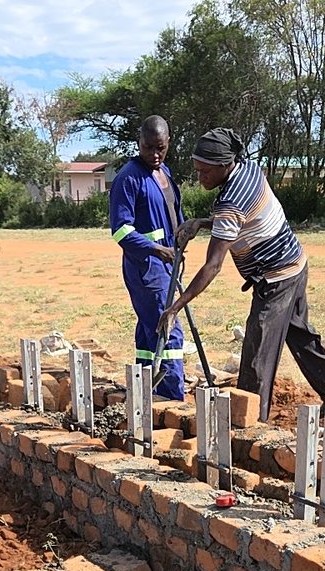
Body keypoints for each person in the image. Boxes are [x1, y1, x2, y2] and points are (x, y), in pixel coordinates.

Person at [160, 127, 325, 422]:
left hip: (276, 277)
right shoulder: (248, 169)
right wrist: (201, 222)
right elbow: (242, 218)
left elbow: (213, 265)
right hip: (295, 261)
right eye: (197, 170)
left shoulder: (230, 204)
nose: (200, 178)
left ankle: (249, 427)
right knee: (299, 334)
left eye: (205, 171)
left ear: (225, 164)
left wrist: (176, 306)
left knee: (256, 357)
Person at [109, 115, 185, 400]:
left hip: (169, 263)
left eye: (160, 148)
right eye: (148, 147)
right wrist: (157, 250)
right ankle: (173, 398)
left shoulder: (164, 173)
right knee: (168, 327)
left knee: (149, 330)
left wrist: (184, 232)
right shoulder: (128, 179)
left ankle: (146, 391)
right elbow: (120, 231)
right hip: (147, 267)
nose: (154, 154)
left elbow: (174, 214)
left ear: (168, 144)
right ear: (138, 143)